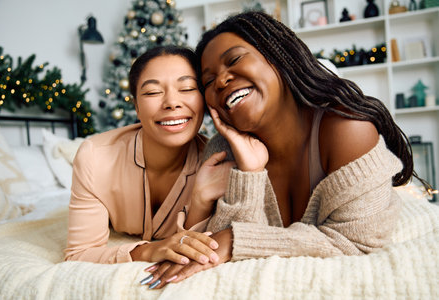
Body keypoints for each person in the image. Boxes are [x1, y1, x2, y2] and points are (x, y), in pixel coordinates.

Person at [140, 11, 427, 289]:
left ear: (279, 58)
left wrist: (235, 240)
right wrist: (249, 174)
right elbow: (216, 256)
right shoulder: (223, 150)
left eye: (235, 60)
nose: (222, 81)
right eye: (209, 82)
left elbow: (356, 243)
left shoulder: (346, 129)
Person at [65, 46, 233, 269]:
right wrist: (149, 250)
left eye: (188, 88)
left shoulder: (217, 162)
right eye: (153, 92)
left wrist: (200, 199)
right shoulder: (95, 157)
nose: (172, 103)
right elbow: (79, 254)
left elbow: (200, 245)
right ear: (135, 105)